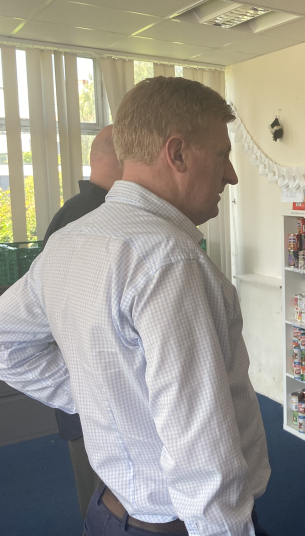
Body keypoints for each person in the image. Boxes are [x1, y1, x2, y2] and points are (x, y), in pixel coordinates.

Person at [0, 77, 270, 536]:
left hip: (109, 512)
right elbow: (203, 460)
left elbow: (7, 344)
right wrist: (107, 397)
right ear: (178, 153)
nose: (232, 176)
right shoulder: (170, 262)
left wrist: (107, 398)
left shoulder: (69, 241)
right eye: (223, 155)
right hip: (177, 525)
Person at [41, 124, 121, 521]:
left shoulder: (68, 214)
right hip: (98, 393)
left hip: (82, 389)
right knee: (108, 502)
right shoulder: (100, 222)